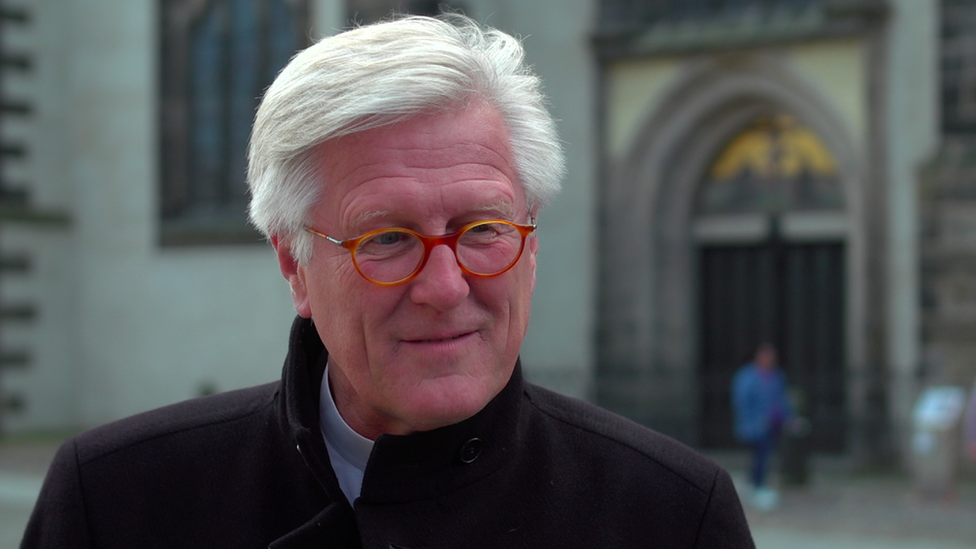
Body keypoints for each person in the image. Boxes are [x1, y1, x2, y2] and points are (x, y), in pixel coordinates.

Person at [22, 15, 754, 548]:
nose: (445, 284)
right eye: (389, 238)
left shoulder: (672, 516)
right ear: (294, 264)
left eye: (483, 229)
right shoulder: (115, 502)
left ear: (530, 241)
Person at [731, 343, 792, 511]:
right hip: (754, 426)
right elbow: (742, 402)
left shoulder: (776, 375)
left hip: (772, 424)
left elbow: (782, 400)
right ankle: (756, 486)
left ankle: (755, 484)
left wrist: (788, 417)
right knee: (759, 456)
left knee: (764, 455)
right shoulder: (747, 376)